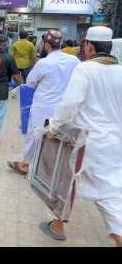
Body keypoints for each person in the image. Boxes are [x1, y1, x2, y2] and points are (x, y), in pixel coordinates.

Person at [39, 26, 122, 247]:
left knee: (66, 182)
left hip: (88, 143)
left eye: (85, 45)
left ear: (89, 46)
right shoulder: (120, 71)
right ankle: (58, 223)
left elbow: (69, 105)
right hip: (115, 143)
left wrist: (52, 129)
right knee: (112, 194)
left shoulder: (85, 70)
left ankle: (59, 224)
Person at [8, 29, 80, 175]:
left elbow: (30, 82)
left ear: (47, 45)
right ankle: (55, 168)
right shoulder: (74, 60)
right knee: (60, 137)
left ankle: (25, 164)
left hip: (43, 106)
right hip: (65, 107)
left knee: (34, 135)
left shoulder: (44, 63)